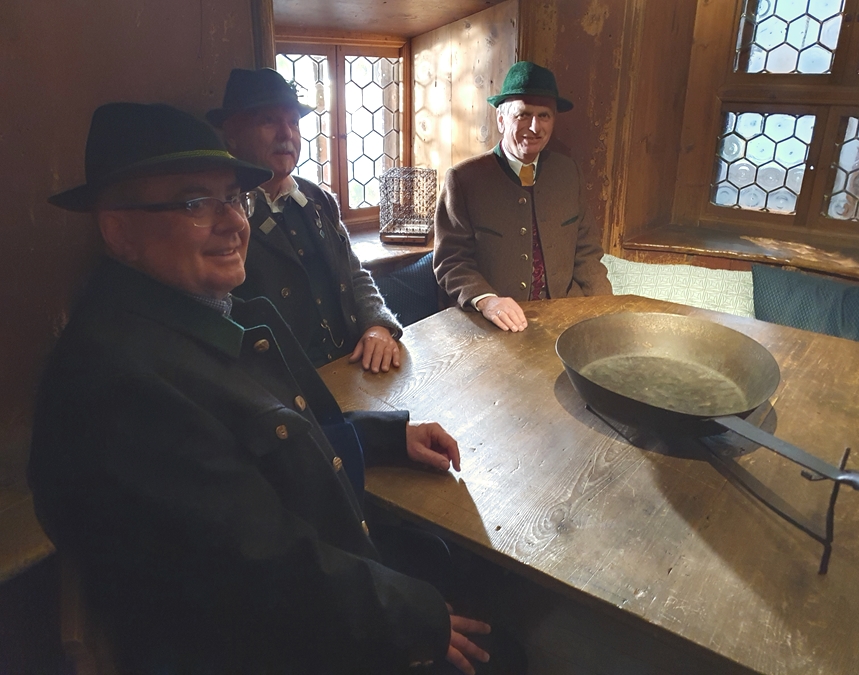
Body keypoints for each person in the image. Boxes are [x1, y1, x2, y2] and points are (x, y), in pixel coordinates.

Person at [28, 102, 498, 674]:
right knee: (502, 641)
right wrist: (415, 619)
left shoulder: (192, 315)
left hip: (319, 586)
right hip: (271, 645)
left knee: (458, 566)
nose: (233, 223)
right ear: (118, 230)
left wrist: (385, 437)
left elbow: (272, 432)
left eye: (233, 197)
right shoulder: (119, 382)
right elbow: (265, 571)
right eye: (195, 203)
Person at [207, 67, 403, 373]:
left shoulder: (318, 199)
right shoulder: (223, 214)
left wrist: (377, 325)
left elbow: (353, 274)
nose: (286, 134)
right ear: (232, 134)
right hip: (281, 384)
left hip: (354, 364)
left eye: (294, 122)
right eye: (269, 120)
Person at [433, 61, 612, 332]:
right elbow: (451, 262)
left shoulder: (568, 173)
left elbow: (587, 253)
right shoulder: (464, 179)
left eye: (544, 116)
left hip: (565, 318)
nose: (535, 127)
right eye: (523, 115)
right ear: (501, 119)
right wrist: (488, 301)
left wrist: (606, 312)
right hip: (495, 325)